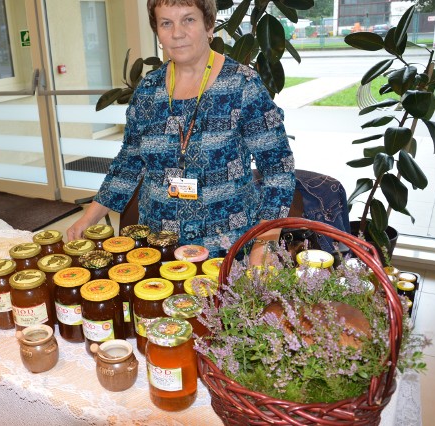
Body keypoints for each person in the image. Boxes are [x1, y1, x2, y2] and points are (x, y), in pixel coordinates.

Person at [67, 0, 295, 263]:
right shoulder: (148, 90)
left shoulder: (242, 85)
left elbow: (278, 166)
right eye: (166, 23)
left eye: (188, 19)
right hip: (158, 249)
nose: (177, 33)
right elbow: (129, 162)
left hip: (227, 250)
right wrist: (89, 217)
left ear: (209, 25)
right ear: (158, 32)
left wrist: (265, 242)